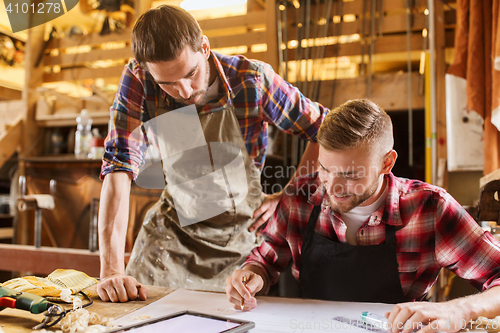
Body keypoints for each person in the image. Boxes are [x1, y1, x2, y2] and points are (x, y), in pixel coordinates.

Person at [97, 5, 329, 303]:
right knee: (134, 314)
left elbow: (325, 130)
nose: (183, 90)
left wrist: (288, 197)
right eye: (166, 83)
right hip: (173, 236)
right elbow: (118, 166)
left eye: (191, 74)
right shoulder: (138, 79)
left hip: (240, 239)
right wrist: (111, 271)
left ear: (204, 47)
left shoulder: (252, 80)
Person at [226, 99, 500, 332]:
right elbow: (265, 259)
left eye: (350, 175)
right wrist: (252, 274)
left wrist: (459, 309)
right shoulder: (300, 196)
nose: (331, 187)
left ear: (387, 163)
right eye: (324, 168)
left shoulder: (430, 209)